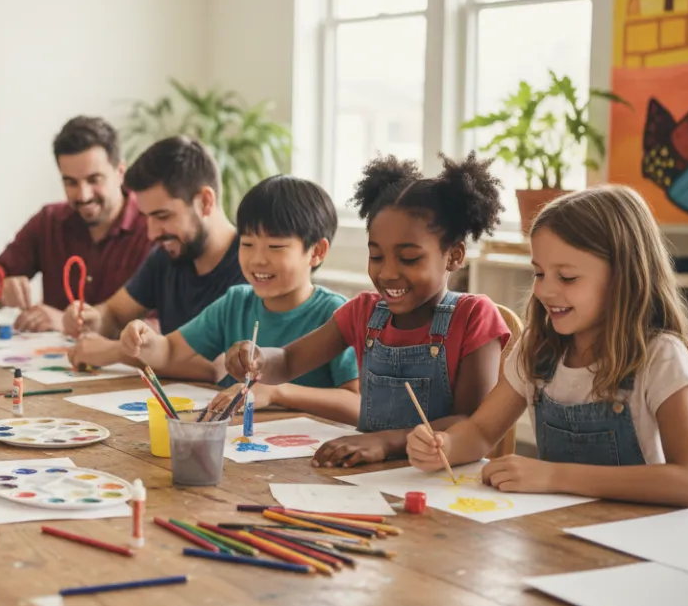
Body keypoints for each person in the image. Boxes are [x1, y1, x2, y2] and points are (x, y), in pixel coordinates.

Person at [218, 153, 510, 467]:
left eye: (409, 258)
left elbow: (471, 422)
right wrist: (259, 358)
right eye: (376, 256)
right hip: (367, 471)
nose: (387, 273)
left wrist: (386, 442)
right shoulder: (364, 312)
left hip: (440, 477)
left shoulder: (473, 317)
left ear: (453, 256)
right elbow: (289, 360)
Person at [408, 186, 688, 507]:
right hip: (555, 534)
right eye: (539, 273)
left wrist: (556, 476)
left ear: (622, 277)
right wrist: (444, 445)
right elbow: (481, 431)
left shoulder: (660, 356)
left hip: (638, 541)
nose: (544, 291)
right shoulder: (537, 349)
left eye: (567, 278)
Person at [120, 176, 360, 417]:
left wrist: (277, 393)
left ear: (316, 252)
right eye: (247, 244)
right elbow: (170, 351)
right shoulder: (235, 302)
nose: (257, 259)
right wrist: (145, 341)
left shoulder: (335, 314)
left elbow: (356, 404)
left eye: (275, 247)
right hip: (232, 444)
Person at [67, 136, 247, 369]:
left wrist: (117, 352)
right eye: (146, 217)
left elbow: (223, 365)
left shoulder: (252, 266)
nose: (151, 233)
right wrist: (93, 320)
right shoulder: (167, 255)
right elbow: (115, 312)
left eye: (162, 216)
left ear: (205, 201)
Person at [0, 116, 151, 332]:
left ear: (120, 172)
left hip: (125, 364)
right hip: (45, 361)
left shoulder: (153, 228)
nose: (83, 195)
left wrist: (70, 325)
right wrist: (0, 289)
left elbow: (163, 328)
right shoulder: (49, 221)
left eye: (94, 180)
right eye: (70, 182)